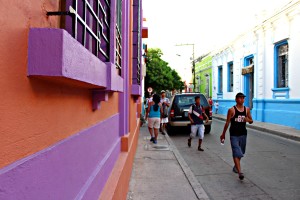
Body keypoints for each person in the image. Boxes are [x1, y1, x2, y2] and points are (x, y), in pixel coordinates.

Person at [220, 92, 253, 180]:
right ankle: (240, 172)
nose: (241, 99)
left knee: (241, 152)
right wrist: (223, 134)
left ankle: (236, 167)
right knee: (236, 152)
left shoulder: (247, 109)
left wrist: (247, 120)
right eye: (240, 98)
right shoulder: (232, 110)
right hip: (234, 134)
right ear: (236, 99)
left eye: (243, 98)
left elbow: (251, 120)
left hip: (243, 134)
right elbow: (227, 122)